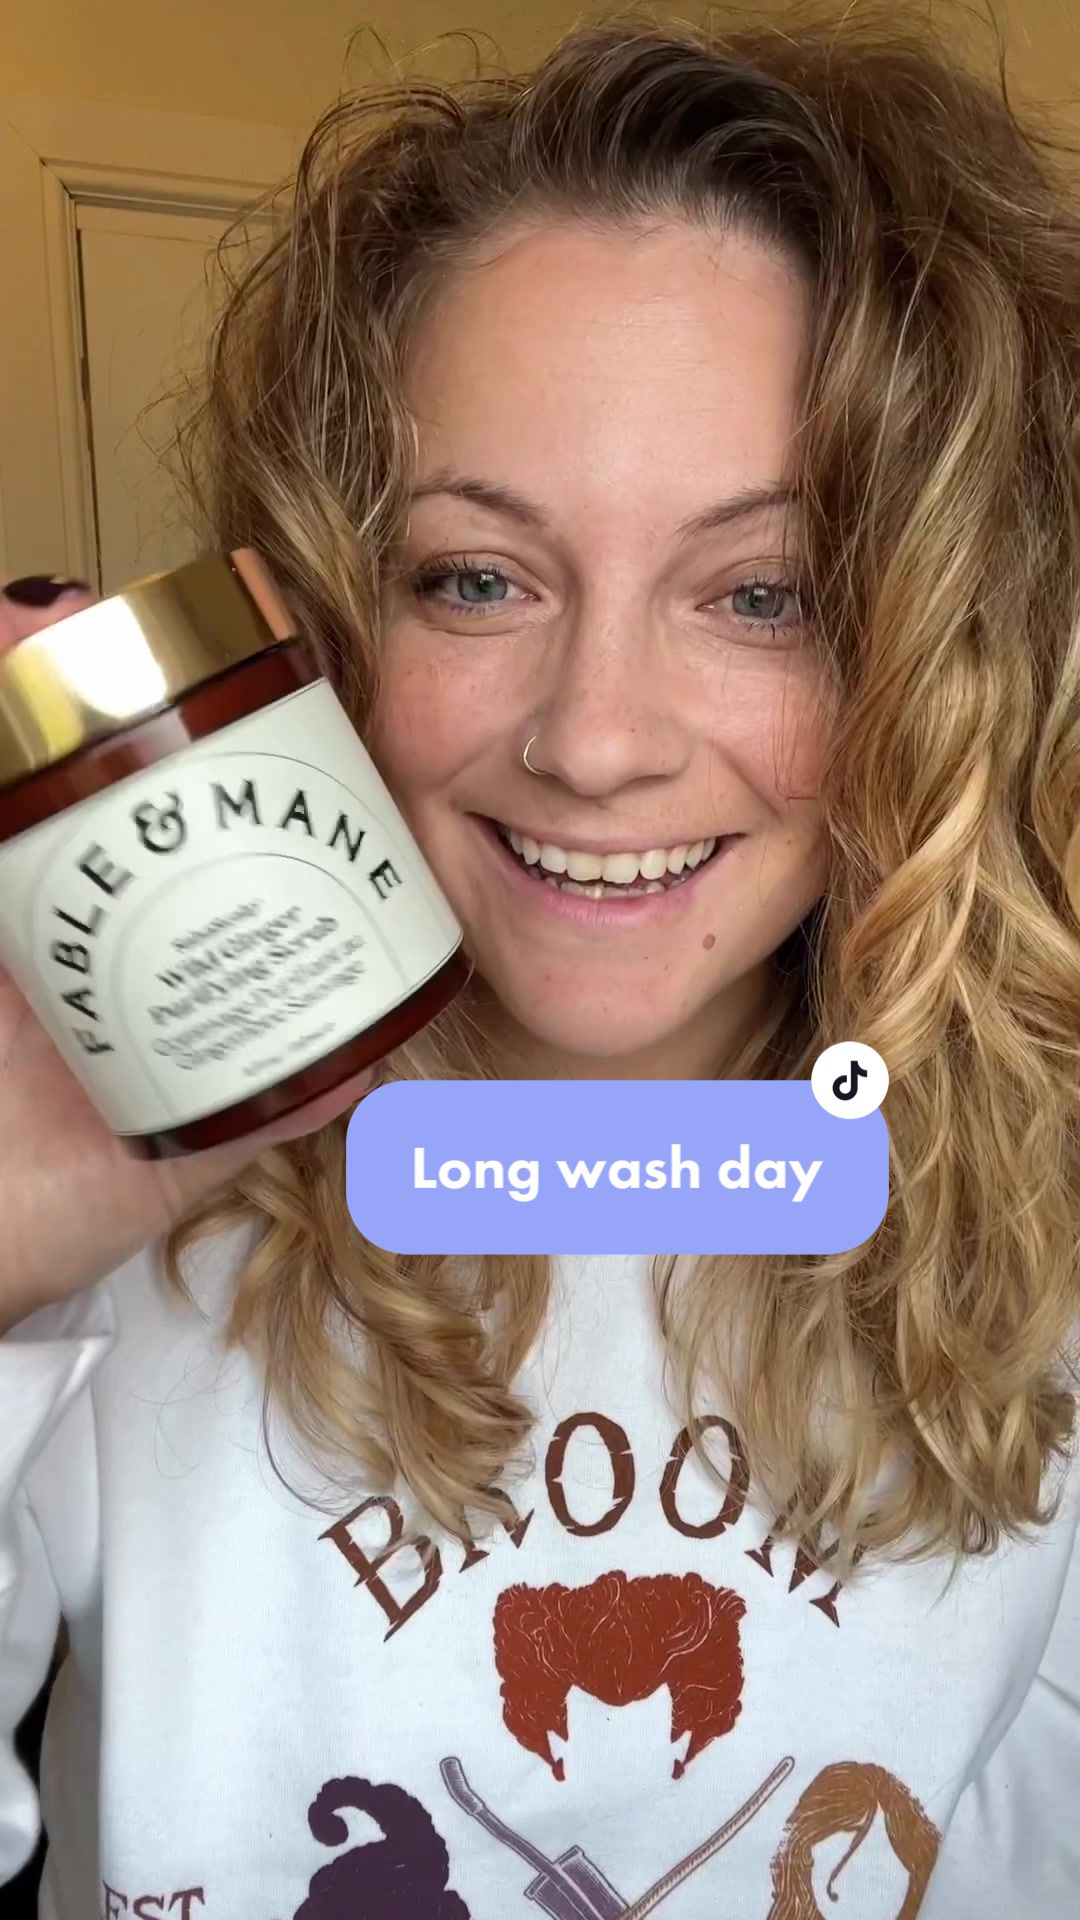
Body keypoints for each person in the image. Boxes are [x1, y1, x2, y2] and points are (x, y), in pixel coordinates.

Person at [2, 9, 1079, 1917]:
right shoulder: (113, 1241)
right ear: (331, 613)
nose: (594, 741)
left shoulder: (1036, 1245)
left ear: (943, 652)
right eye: (476, 578)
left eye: (766, 594)